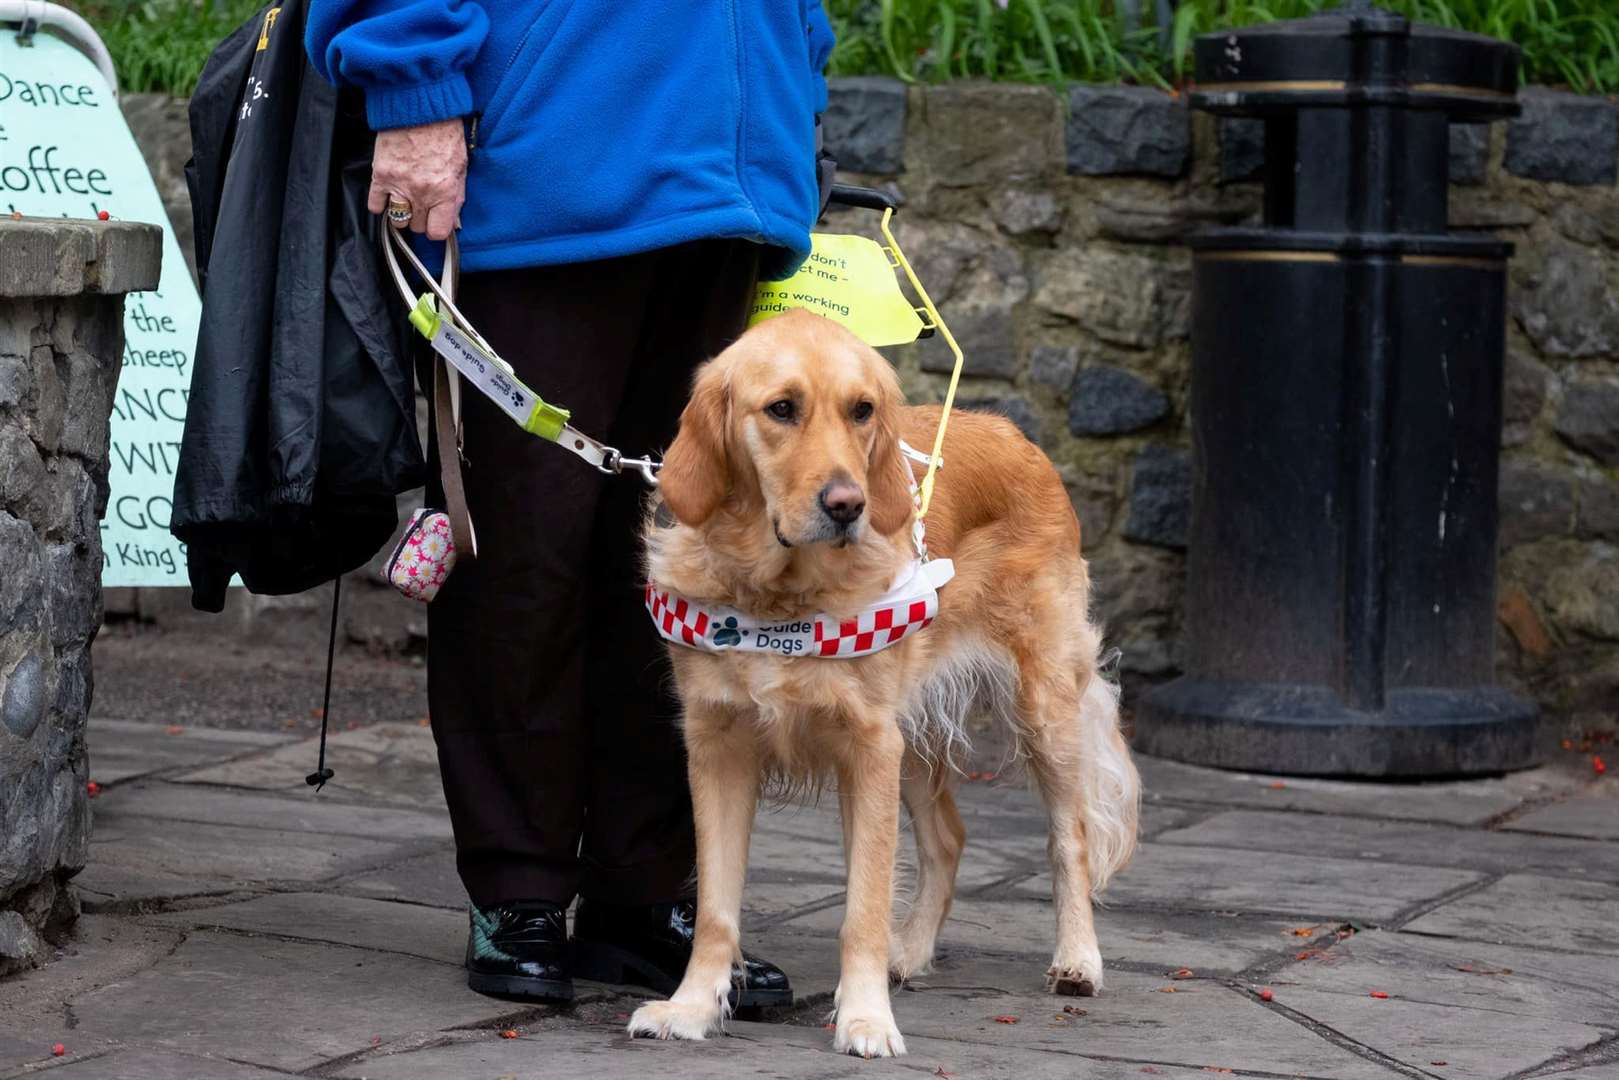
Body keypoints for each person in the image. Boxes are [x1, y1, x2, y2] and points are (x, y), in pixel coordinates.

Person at [305, 0, 834, 1004]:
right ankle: (519, 890)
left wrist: (794, 72)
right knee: (521, 553)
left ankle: (648, 900)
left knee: (683, 571)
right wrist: (413, 88)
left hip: (730, 174)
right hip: (547, 153)